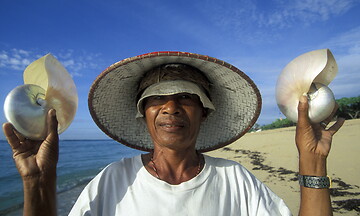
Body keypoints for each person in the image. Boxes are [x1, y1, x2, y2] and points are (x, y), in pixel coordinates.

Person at [3, 51, 344, 216]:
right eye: (157, 100)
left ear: (204, 112)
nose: (171, 107)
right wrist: (39, 181)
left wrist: (312, 162)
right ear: (143, 112)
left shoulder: (236, 181)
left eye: (185, 97)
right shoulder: (112, 181)